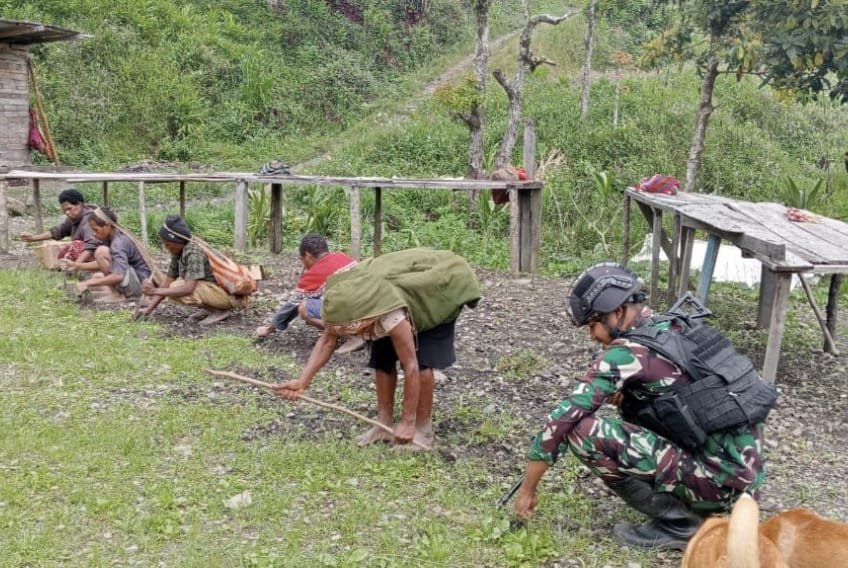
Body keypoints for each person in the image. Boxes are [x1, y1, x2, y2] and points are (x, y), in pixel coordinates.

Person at [513, 262, 777, 551]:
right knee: (631, 404)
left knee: (579, 431)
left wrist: (528, 490)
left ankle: (681, 525)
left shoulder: (627, 355)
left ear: (617, 313)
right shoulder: (677, 326)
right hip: (745, 488)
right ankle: (699, 505)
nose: (592, 336)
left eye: (593, 324)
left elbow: (559, 422)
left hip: (720, 486)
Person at [273, 248, 482, 449]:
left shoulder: (391, 316)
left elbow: (410, 366)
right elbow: (328, 340)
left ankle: (422, 427)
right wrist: (302, 382)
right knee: (382, 358)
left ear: (364, 322)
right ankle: (384, 424)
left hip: (438, 288)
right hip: (388, 292)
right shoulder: (339, 302)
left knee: (422, 359)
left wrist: (408, 421)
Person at [255, 234, 360, 352]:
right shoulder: (342, 257)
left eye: (302, 259)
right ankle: (356, 330)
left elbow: (293, 304)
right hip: (370, 306)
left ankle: (353, 336)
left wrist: (270, 328)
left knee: (304, 308)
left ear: (308, 256)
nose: (303, 264)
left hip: (354, 312)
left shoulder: (314, 273)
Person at [139, 215, 247, 325]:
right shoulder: (178, 251)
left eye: (167, 244)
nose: (166, 248)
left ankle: (219, 311)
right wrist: (148, 310)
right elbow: (166, 282)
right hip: (214, 291)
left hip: (229, 297)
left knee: (176, 288)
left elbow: (188, 289)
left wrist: (154, 291)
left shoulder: (194, 253)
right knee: (171, 288)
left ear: (177, 241)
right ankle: (211, 308)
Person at [70, 207, 152, 303]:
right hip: (138, 279)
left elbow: (118, 276)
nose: (94, 234)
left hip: (142, 285)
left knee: (101, 252)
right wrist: (78, 266)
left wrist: (88, 283)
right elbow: (109, 263)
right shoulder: (113, 237)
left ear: (107, 226)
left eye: (96, 230)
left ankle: (118, 294)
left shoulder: (118, 243)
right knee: (98, 276)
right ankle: (117, 292)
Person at [19, 188, 100, 264]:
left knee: (75, 245)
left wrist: (76, 265)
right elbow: (58, 231)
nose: (67, 213)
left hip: (98, 256)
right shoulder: (74, 218)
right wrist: (32, 238)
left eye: (69, 209)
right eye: (65, 210)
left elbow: (92, 246)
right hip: (87, 255)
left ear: (79, 204)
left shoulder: (90, 220)